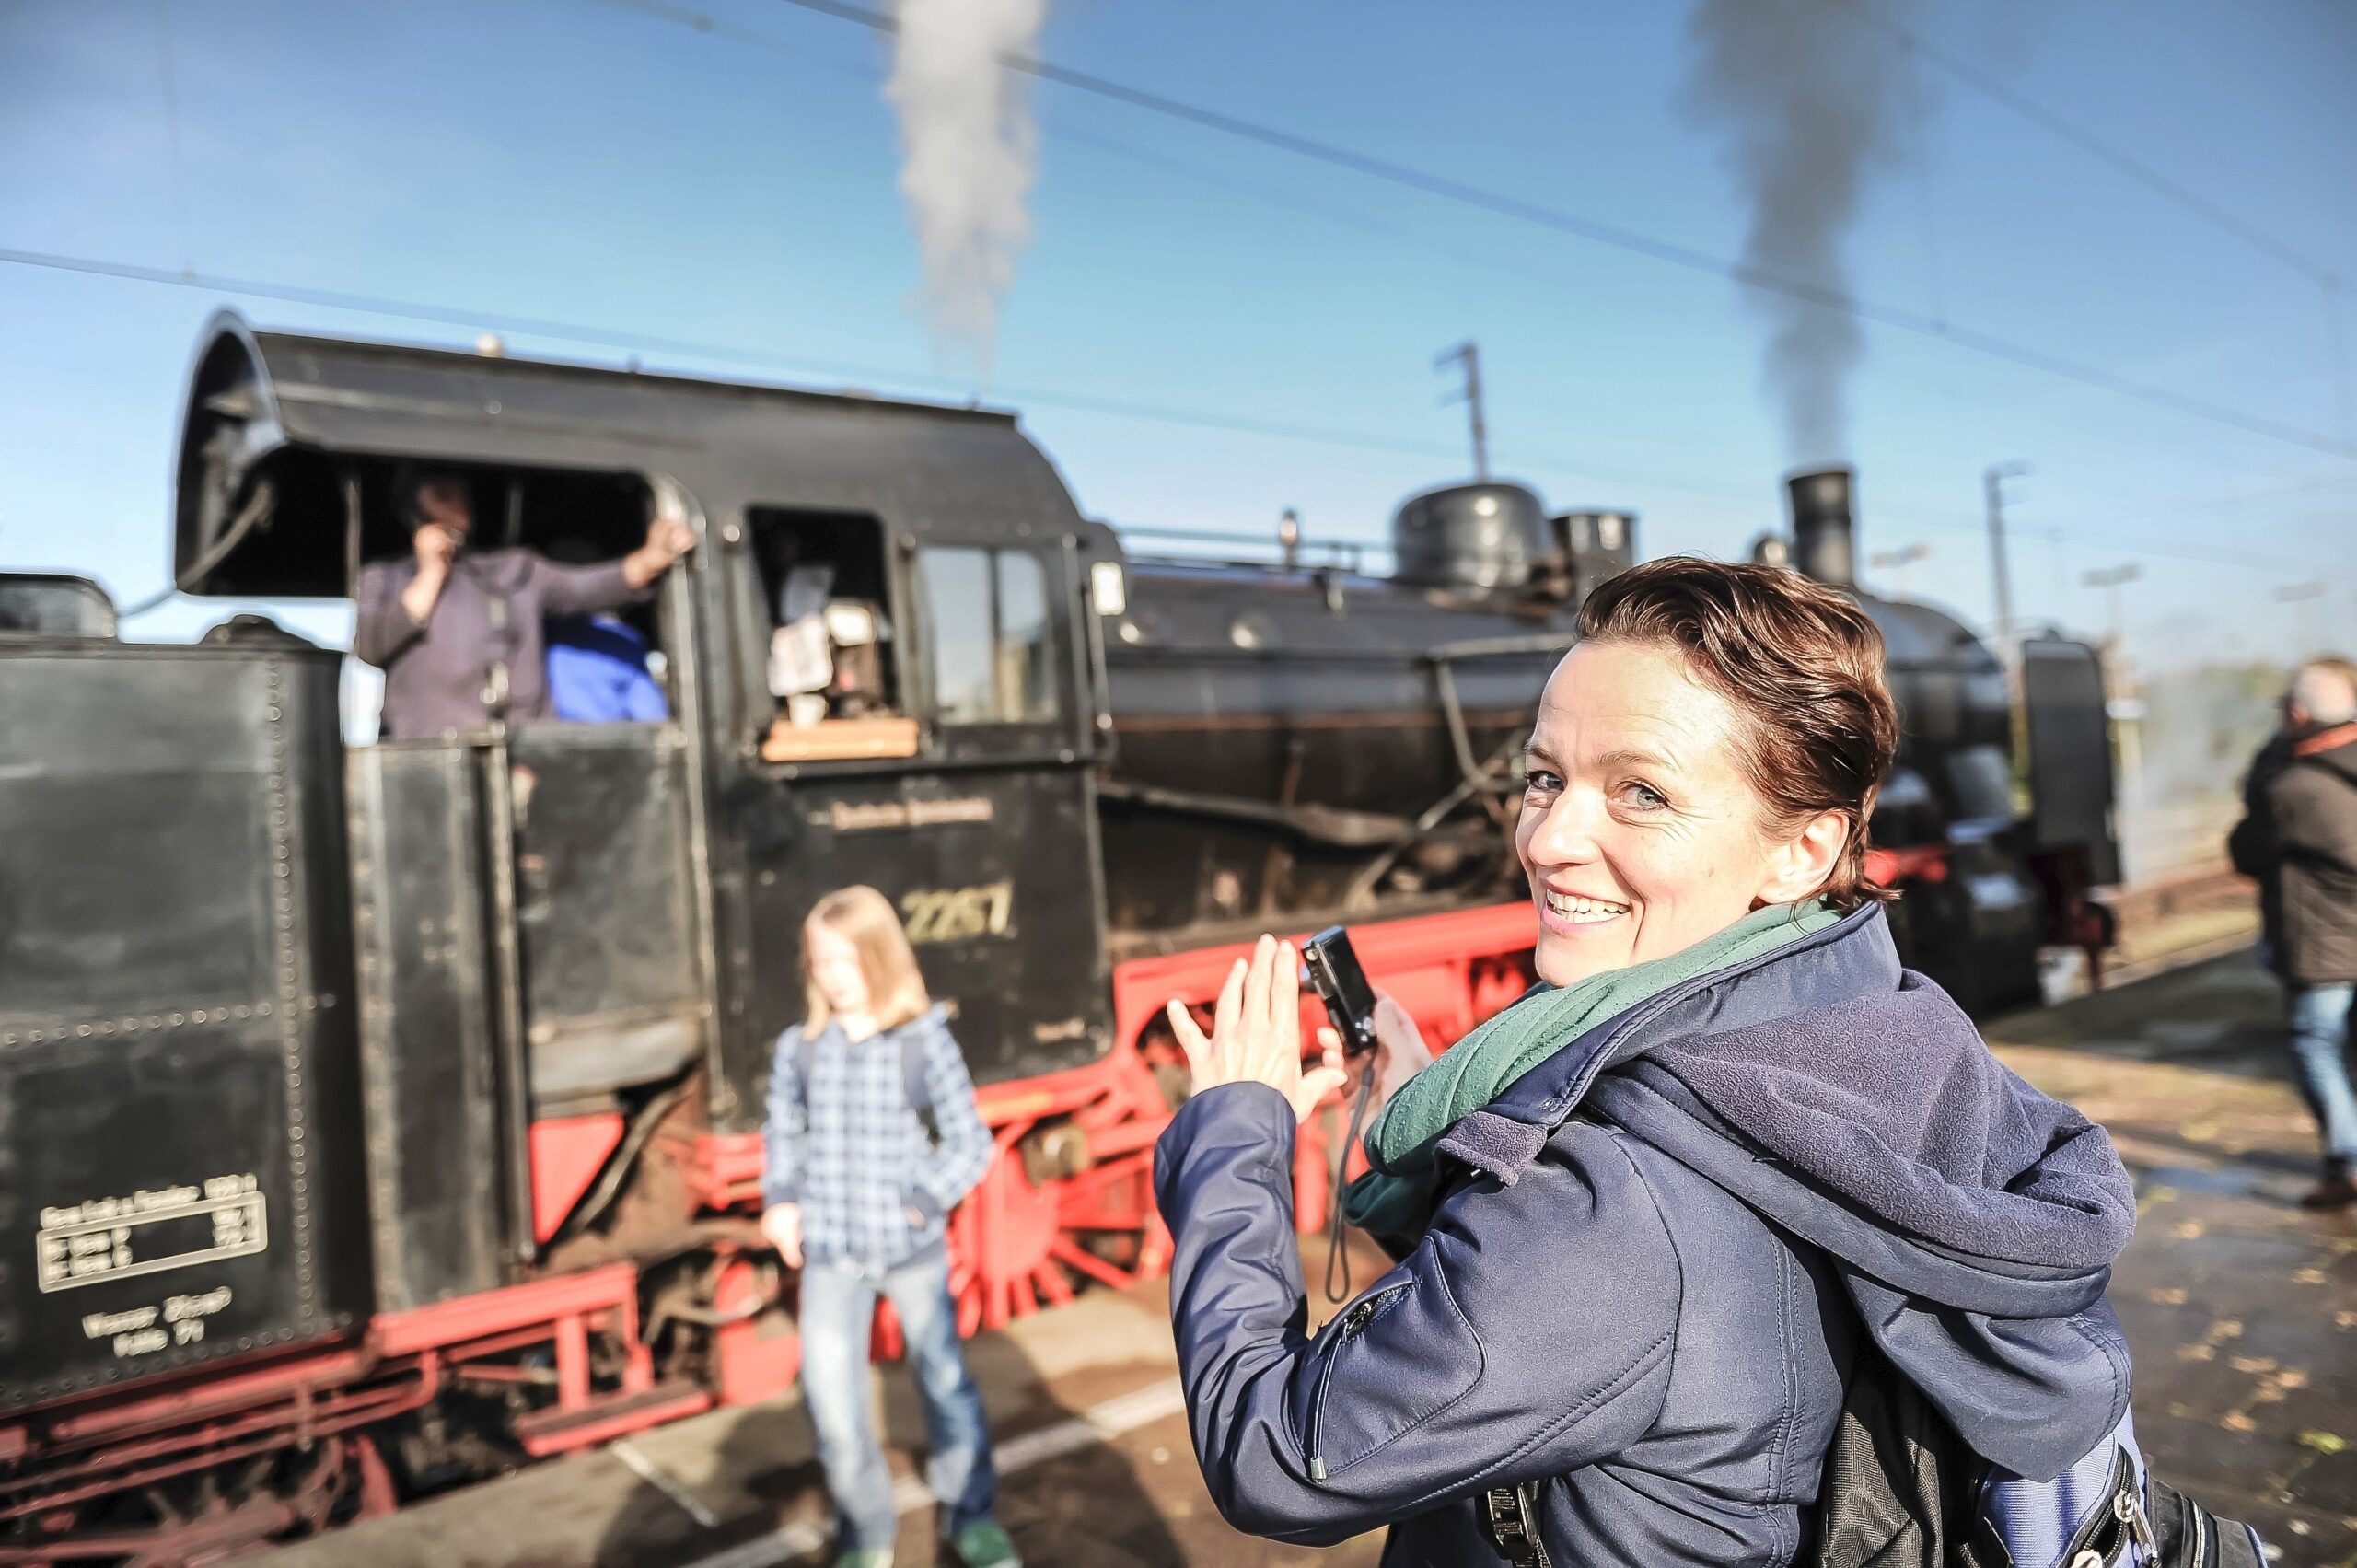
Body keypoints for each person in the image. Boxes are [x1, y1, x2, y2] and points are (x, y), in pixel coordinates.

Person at [1151, 559, 2139, 1565]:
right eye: (1544, 776)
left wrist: (1232, 1132)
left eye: (1640, 791)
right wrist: (1451, 1110)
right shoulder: (1890, 1030)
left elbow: (1276, 1453)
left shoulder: (1613, 1206)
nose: (1549, 838)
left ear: (1800, 849)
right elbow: (1545, 1335)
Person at [761, 888, 1018, 1568]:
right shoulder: (801, 1049)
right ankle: (868, 1529)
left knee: (943, 1381)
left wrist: (922, 1198)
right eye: (821, 961)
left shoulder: (921, 1041)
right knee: (833, 1400)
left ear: (879, 958)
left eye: (847, 959)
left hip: (910, 1249)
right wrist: (781, 1198)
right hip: (832, 1253)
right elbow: (783, 1129)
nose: (833, 974)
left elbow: (970, 1141)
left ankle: (972, 1513)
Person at [352, 470, 693, 739]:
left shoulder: (517, 569)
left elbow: (587, 586)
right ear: (412, 505)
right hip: (427, 758)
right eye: (442, 495)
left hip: (521, 754)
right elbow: (368, 646)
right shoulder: (385, 577)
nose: (458, 506)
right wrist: (430, 574)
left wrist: (651, 558)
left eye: (462, 495)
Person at [2228, 657, 2357, 1208]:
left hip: (2327, 946)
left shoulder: (2294, 788)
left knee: (2315, 1045)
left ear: (2298, 714)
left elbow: (2246, 849)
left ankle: (2346, 1162)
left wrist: (2276, 745)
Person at [543, 540, 671, 724]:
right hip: (610, 747)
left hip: (544, 748)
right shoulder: (622, 640)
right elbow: (653, 716)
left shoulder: (532, 639)